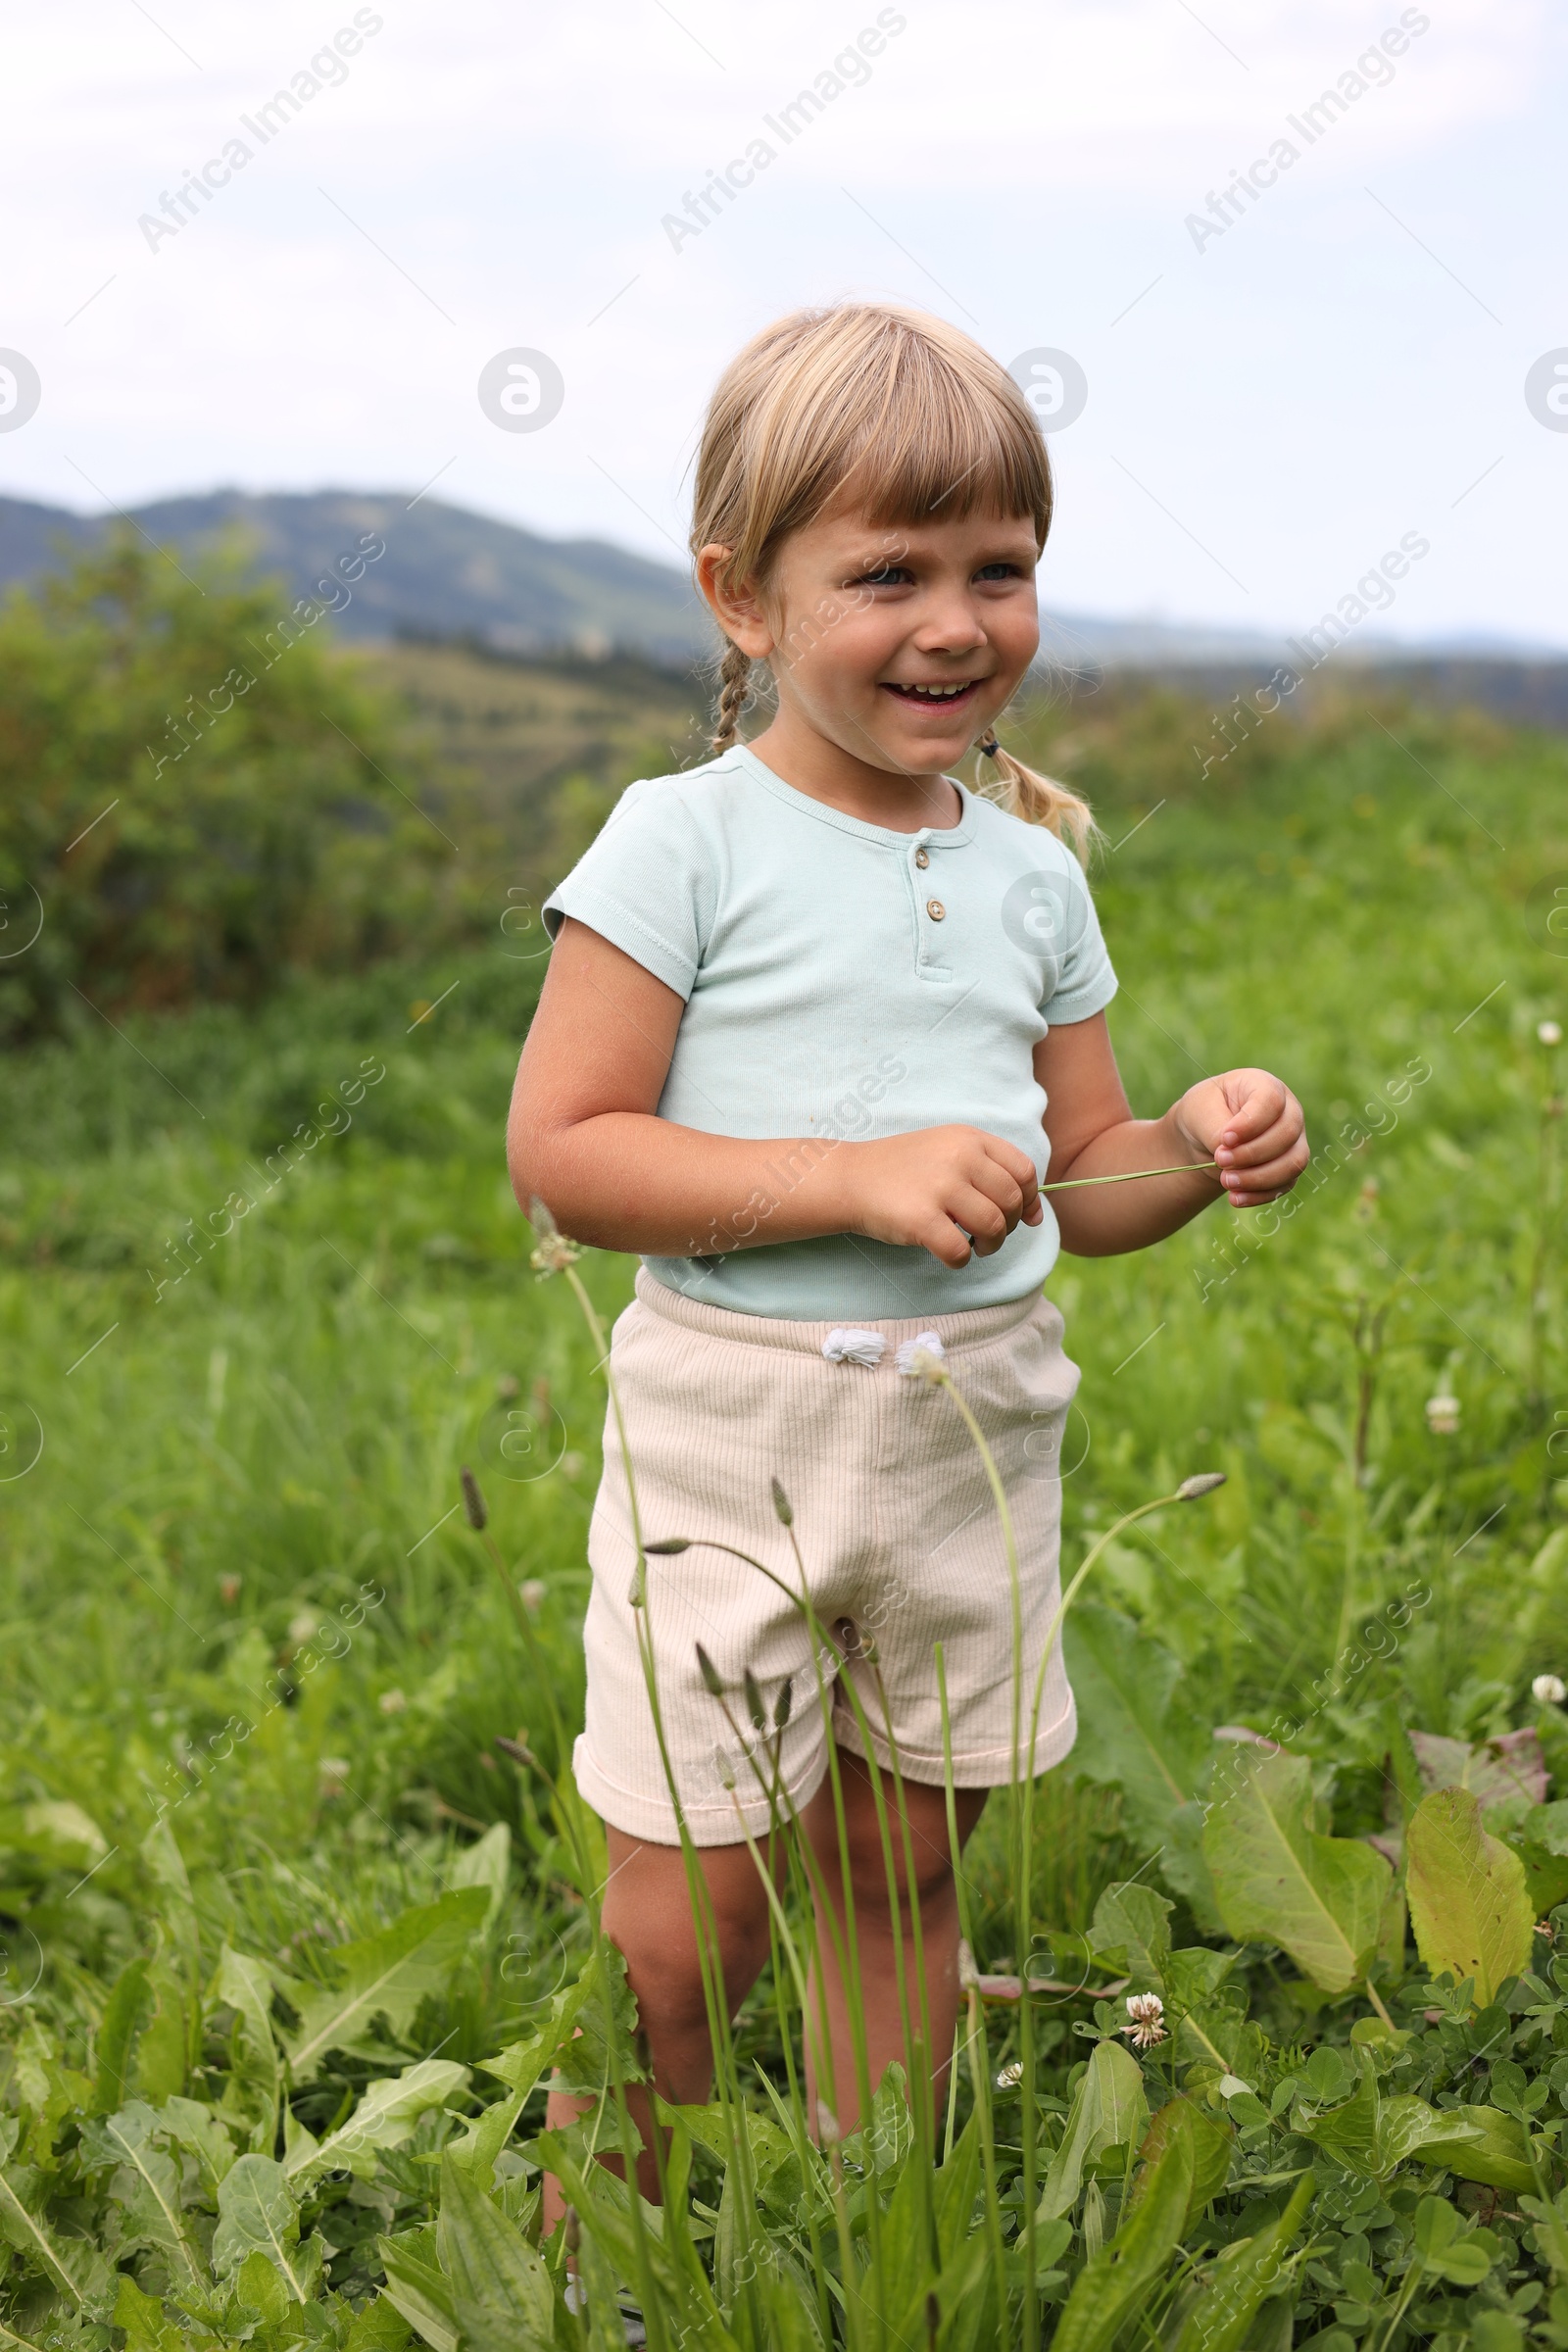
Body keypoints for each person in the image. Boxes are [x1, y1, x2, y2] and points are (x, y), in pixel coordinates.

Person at [507, 300, 1307, 2200]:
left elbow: (1079, 1183)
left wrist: (1186, 1152)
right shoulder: (680, 843)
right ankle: (613, 2210)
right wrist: (852, 1181)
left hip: (968, 1435)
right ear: (742, 596)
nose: (954, 621)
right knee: (681, 1908)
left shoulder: (1035, 872)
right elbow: (565, 1154)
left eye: (996, 568)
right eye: (885, 571)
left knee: (900, 1865)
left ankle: (883, 2206)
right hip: (731, 1431)